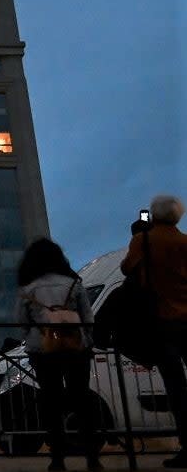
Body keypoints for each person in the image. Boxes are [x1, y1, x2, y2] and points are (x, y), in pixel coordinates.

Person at [15, 238, 100, 472]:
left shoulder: (28, 289)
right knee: (81, 399)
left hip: (44, 350)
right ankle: (92, 456)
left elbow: (22, 322)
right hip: (75, 348)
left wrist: (34, 339)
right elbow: (88, 317)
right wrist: (86, 340)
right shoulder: (74, 283)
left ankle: (58, 458)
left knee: (50, 402)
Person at [120, 195, 187, 468]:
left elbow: (126, 268)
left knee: (176, 387)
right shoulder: (184, 242)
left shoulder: (144, 241)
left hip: (161, 320)